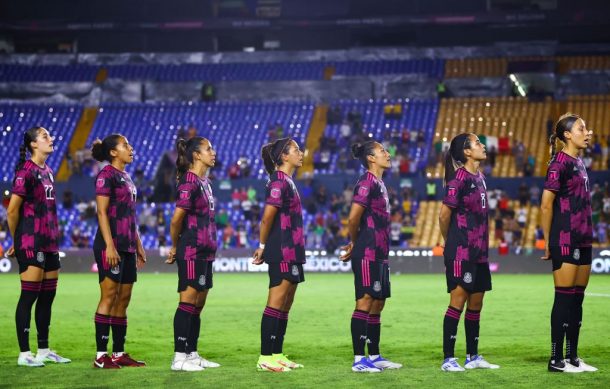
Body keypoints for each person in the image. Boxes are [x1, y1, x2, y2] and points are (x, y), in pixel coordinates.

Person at [7, 127, 71, 367]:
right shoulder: (26, 171)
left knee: (47, 297)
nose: (50, 139)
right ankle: (24, 354)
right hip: (31, 242)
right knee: (29, 296)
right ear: (34, 144)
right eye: (45, 136)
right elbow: (13, 210)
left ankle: (43, 350)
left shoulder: (48, 171)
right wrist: (17, 240)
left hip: (50, 242)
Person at [541, 113, 597, 373]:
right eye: (581, 128)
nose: (587, 132)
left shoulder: (580, 162)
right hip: (564, 238)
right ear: (567, 135)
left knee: (577, 299)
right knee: (563, 300)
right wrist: (546, 241)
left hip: (584, 238)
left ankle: (572, 357)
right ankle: (555, 360)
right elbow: (545, 204)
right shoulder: (559, 163)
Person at [438, 133, 499, 372]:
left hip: (479, 252)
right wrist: (450, 242)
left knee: (477, 303)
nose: (482, 145)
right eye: (477, 143)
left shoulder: (480, 177)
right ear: (466, 152)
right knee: (457, 302)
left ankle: (472, 356)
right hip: (461, 252)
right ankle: (448, 359)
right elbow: (444, 216)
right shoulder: (458, 179)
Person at [340, 140, 402, 373]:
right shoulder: (366, 182)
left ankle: (374, 356)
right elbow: (353, 218)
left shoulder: (380, 183)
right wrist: (355, 243)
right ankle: (359, 360)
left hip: (380, 252)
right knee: (365, 301)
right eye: (382, 151)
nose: (387, 153)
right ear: (371, 158)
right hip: (366, 251)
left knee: (378, 302)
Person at [91, 134, 147, 369]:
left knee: (123, 299)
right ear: (113, 152)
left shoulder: (126, 177)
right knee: (109, 296)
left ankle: (119, 353)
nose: (130, 148)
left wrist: (139, 245)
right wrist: (110, 246)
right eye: (125, 145)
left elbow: (129, 216)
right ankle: (101, 356)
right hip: (110, 245)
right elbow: (102, 213)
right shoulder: (106, 175)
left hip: (127, 246)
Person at [166, 136, 220, 371]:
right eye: (208, 149)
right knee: (187, 302)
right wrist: (176, 246)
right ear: (196, 155)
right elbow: (177, 219)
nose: (213, 152)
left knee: (198, 304)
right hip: (191, 250)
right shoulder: (188, 181)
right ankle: (179, 358)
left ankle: (192, 353)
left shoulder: (205, 182)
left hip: (206, 252)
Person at [251, 137, 305, 372]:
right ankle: (265, 357)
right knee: (275, 302)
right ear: (284, 156)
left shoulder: (288, 181)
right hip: (280, 248)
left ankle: (277, 353)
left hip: (293, 249)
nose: (301, 153)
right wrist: (262, 245)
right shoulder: (278, 181)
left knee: (285, 304)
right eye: (296, 150)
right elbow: (267, 216)